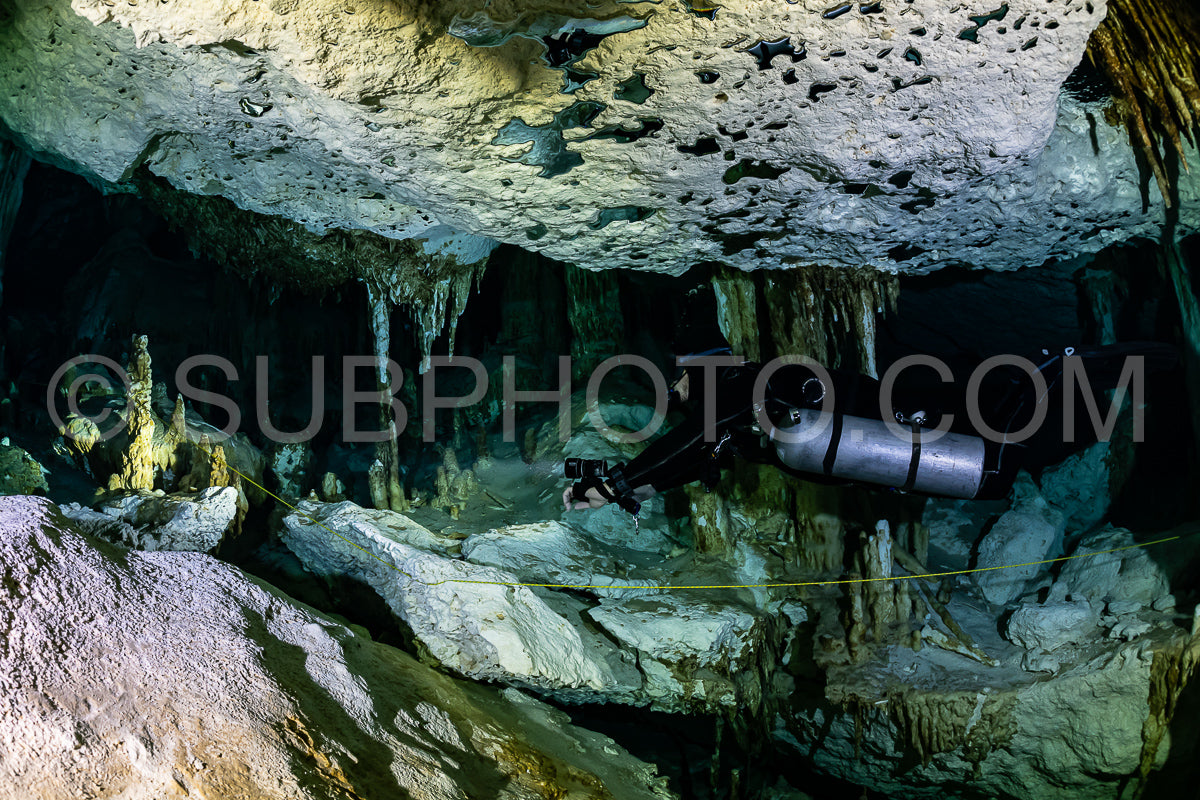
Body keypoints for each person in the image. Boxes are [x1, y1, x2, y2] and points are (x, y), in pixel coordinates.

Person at [564, 292, 1176, 514]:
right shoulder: (756, 412)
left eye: (679, 378)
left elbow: (697, 442)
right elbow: (702, 455)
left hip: (970, 440)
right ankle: (1108, 388)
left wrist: (622, 482)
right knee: (1009, 385)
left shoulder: (751, 390)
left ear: (709, 367)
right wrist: (634, 485)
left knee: (1024, 378)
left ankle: (1119, 382)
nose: (674, 393)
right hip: (968, 444)